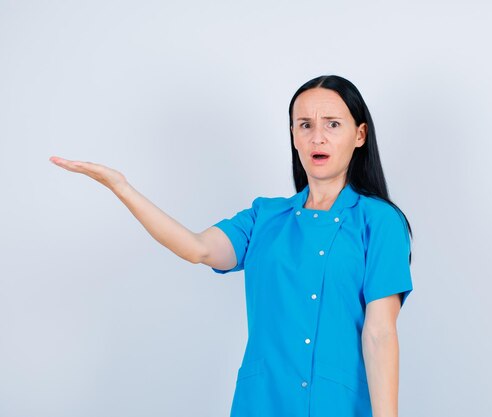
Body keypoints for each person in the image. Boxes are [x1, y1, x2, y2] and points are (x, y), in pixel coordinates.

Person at [49, 74, 414, 417]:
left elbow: (380, 332)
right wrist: (121, 188)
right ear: (293, 135)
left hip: (338, 404)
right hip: (262, 402)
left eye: (332, 124)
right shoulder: (264, 217)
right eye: (305, 125)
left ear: (360, 134)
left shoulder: (379, 222)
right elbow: (197, 248)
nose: (317, 137)